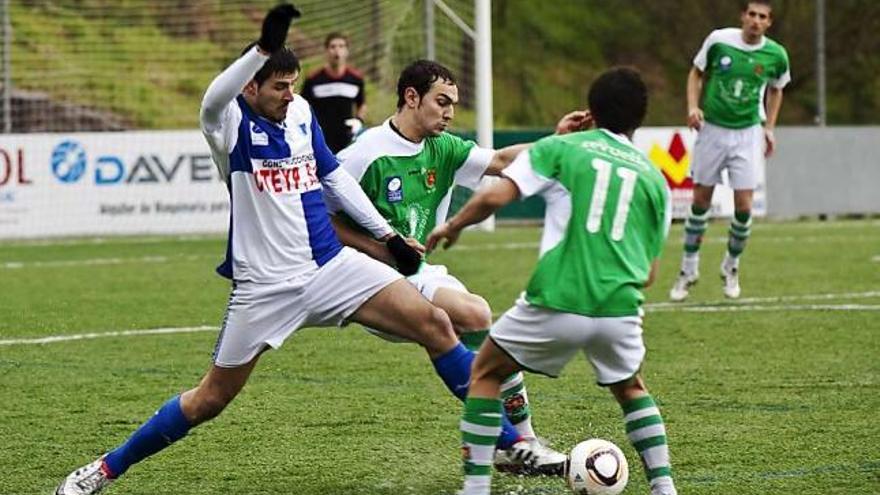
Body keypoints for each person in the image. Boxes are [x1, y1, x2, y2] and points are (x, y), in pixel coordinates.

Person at [54, 5, 499, 494]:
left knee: (436, 323)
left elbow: (331, 177)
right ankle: (105, 469)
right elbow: (210, 100)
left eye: (294, 84)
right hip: (264, 286)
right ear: (251, 86)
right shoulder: (228, 125)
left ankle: (514, 443)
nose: (291, 95)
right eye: (279, 86)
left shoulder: (302, 113)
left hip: (328, 265)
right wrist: (262, 49)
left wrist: (387, 237)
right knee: (209, 399)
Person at [426, 67, 678, 495]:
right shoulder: (656, 180)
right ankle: (664, 486)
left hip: (558, 297)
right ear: (639, 120)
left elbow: (495, 193)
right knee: (631, 388)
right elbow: (651, 273)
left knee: (486, 371)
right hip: (619, 307)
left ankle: (475, 488)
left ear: (591, 109)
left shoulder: (564, 147)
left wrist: (453, 225)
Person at [329, 60, 588, 475]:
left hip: (418, 274)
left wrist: (558, 142)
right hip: (369, 283)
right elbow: (319, 218)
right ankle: (518, 442)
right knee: (471, 318)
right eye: (441, 101)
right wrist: (380, 249)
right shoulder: (363, 155)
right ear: (411, 98)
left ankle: (520, 441)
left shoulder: (443, 147)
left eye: (454, 103)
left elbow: (504, 160)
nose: (449, 112)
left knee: (481, 321)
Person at [669, 0, 790, 301]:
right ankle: (688, 268)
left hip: (748, 133)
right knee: (699, 200)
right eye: (751, 14)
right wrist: (693, 107)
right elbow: (696, 73)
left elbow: (777, 89)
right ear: (743, 16)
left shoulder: (776, 55)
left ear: (769, 23)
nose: (755, 20)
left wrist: (769, 128)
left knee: (745, 207)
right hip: (712, 130)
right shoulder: (719, 40)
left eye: (762, 17)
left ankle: (731, 266)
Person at [301, 32, 366, 153]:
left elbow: (361, 104)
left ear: (347, 51)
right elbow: (302, 106)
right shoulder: (313, 79)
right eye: (333, 46)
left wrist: (359, 121)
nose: (337, 50)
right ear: (326, 51)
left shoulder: (356, 79)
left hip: (347, 138)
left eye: (341, 46)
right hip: (320, 138)